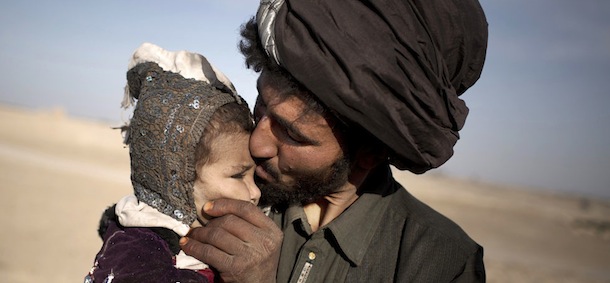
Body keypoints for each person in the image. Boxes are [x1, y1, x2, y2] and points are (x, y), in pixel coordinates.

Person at [179, 0, 489, 282]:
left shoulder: (439, 263)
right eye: (261, 104)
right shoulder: (228, 187)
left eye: (293, 134)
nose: (257, 143)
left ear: (371, 151)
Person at [85, 43, 260, 283]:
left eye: (254, 176)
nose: (256, 192)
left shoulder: (201, 235)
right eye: (238, 176)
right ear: (178, 179)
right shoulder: (138, 256)